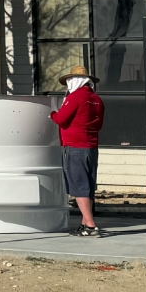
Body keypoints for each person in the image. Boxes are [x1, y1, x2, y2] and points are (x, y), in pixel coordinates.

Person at [50, 66, 105, 235]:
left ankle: (90, 225)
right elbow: (99, 125)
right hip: (91, 146)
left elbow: (61, 118)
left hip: (74, 146)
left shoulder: (74, 97)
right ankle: (84, 223)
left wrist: (52, 114)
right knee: (87, 185)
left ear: (74, 81)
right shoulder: (97, 99)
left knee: (78, 186)